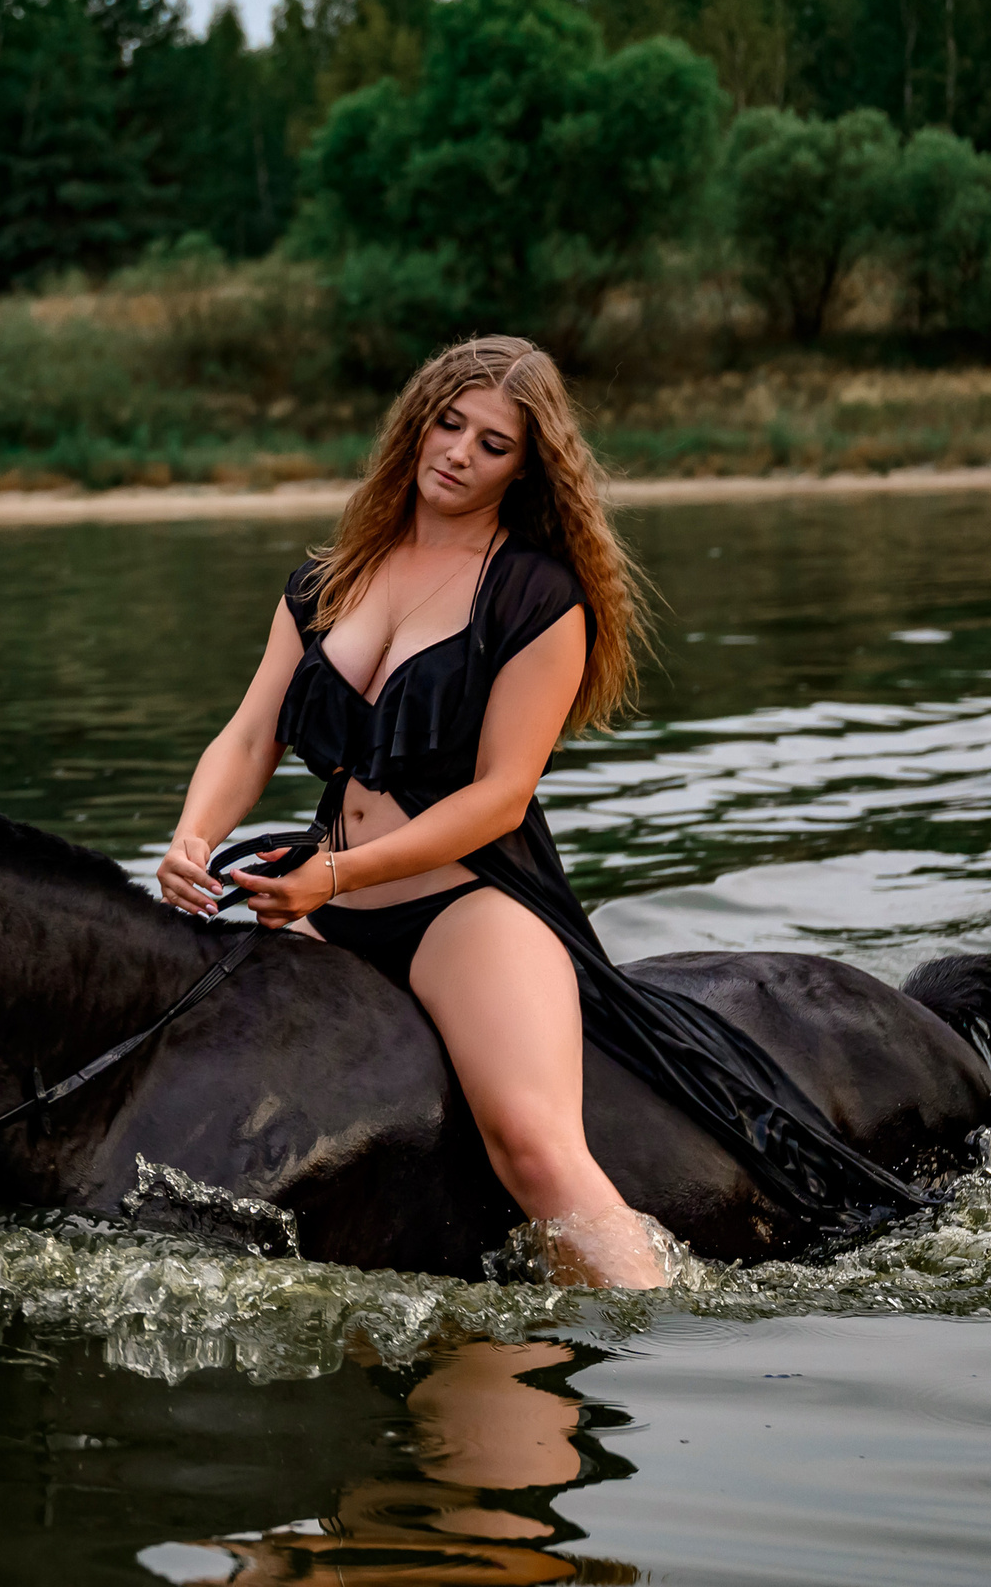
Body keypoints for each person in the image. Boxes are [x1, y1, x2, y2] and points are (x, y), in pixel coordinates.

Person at [155, 335, 675, 1288]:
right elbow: (248, 736)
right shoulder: (326, 579)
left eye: (493, 444)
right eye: (449, 424)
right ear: (416, 421)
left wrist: (340, 875)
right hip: (316, 899)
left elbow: (502, 795)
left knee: (533, 1146)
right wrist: (194, 838)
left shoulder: (537, 596)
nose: (459, 453)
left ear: (527, 467)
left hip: (464, 905)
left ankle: (661, 1331)